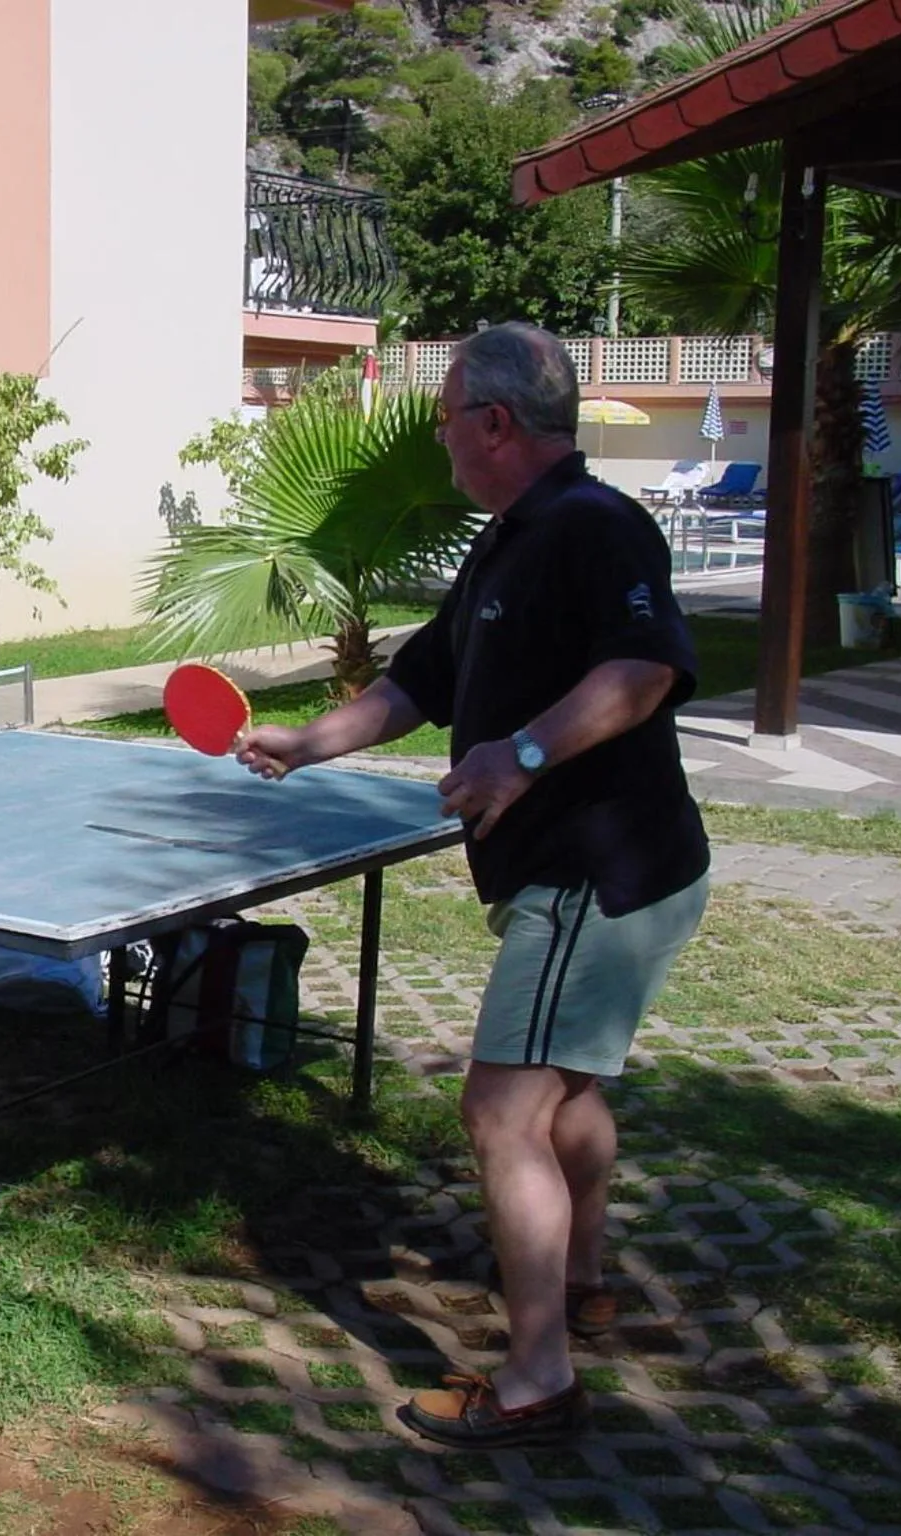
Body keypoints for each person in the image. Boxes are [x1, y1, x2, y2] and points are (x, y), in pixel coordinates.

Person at [236, 322, 710, 1448]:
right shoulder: (506, 541)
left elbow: (644, 670)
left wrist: (522, 754)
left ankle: (538, 1376)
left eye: (446, 414)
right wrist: (308, 740)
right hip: (619, 870)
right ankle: (582, 1278)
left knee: (500, 1109)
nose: (440, 434)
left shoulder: (594, 527)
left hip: (592, 874)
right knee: (568, 1091)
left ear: (493, 423)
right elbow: (415, 686)